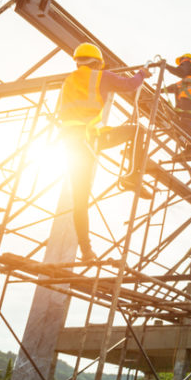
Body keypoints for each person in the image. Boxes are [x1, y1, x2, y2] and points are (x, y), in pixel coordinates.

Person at [57, 42, 152, 261]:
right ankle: (133, 175)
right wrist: (142, 73)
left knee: (79, 201)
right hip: (91, 138)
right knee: (138, 131)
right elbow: (129, 85)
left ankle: (86, 251)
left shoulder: (68, 81)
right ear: (97, 62)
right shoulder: (101, 76)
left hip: (71, 143)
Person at [163, 53, 191, 140]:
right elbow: (175, 87)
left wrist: (165, 66)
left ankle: (189, 145)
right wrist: (161, 90)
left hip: (188, 97)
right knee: (181, 118)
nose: (181, 64)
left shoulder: (188, 62)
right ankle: (185, 141)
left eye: (181, 62)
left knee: (186, 119)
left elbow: (180, 72)